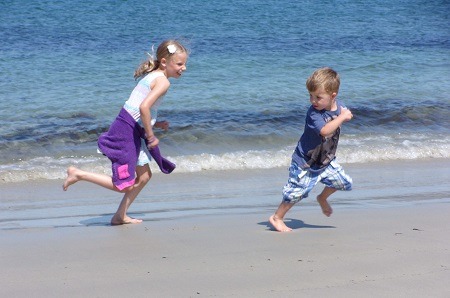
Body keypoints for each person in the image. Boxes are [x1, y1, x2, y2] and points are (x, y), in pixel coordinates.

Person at [63, 39, 188, 225]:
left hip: (128, 125)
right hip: (127, 131)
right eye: (179, 64)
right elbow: (144, 107)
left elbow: (138, 108)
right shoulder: (163, 82)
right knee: (124, 184)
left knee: (144, 176)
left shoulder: (154, 75)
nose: (183, 68)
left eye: (185, 64)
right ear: (164, 62)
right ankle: (79, 174)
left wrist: (155, 123)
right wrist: (151, 136)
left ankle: (120, 215)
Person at [269, 67, 353, 232]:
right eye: (311, 96)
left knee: (343, 182)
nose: (313, 101)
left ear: (333, 96)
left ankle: (322, 198)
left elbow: (341, 116)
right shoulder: (314, 114)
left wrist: (343, 115)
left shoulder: (339, 107)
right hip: (305, 162)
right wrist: (343, 117)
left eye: (318, 97)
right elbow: (325, 131)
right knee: (297, 193)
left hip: (326, 160)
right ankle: (277, 217)